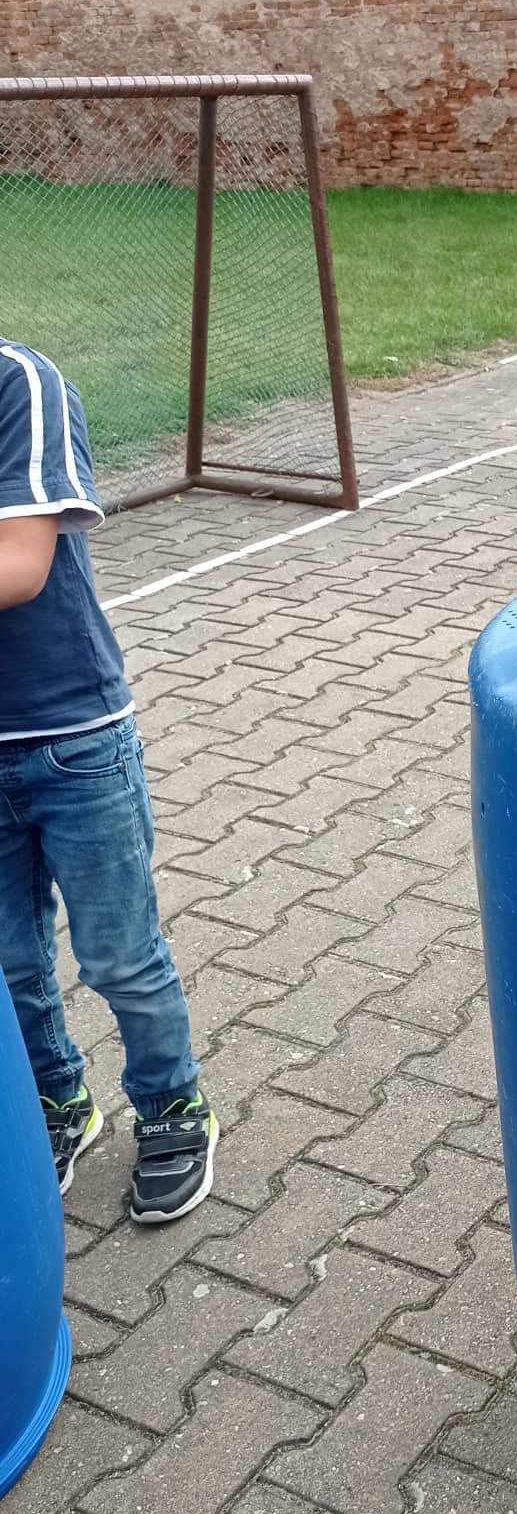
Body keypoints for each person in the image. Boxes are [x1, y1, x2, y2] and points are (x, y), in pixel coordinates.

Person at [0, 336, 218, 1223]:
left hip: (72, 738)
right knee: (11, 962)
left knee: (120, 957)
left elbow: (21, 564)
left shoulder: (21, 382)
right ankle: (58, 1102)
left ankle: (172, 1107)